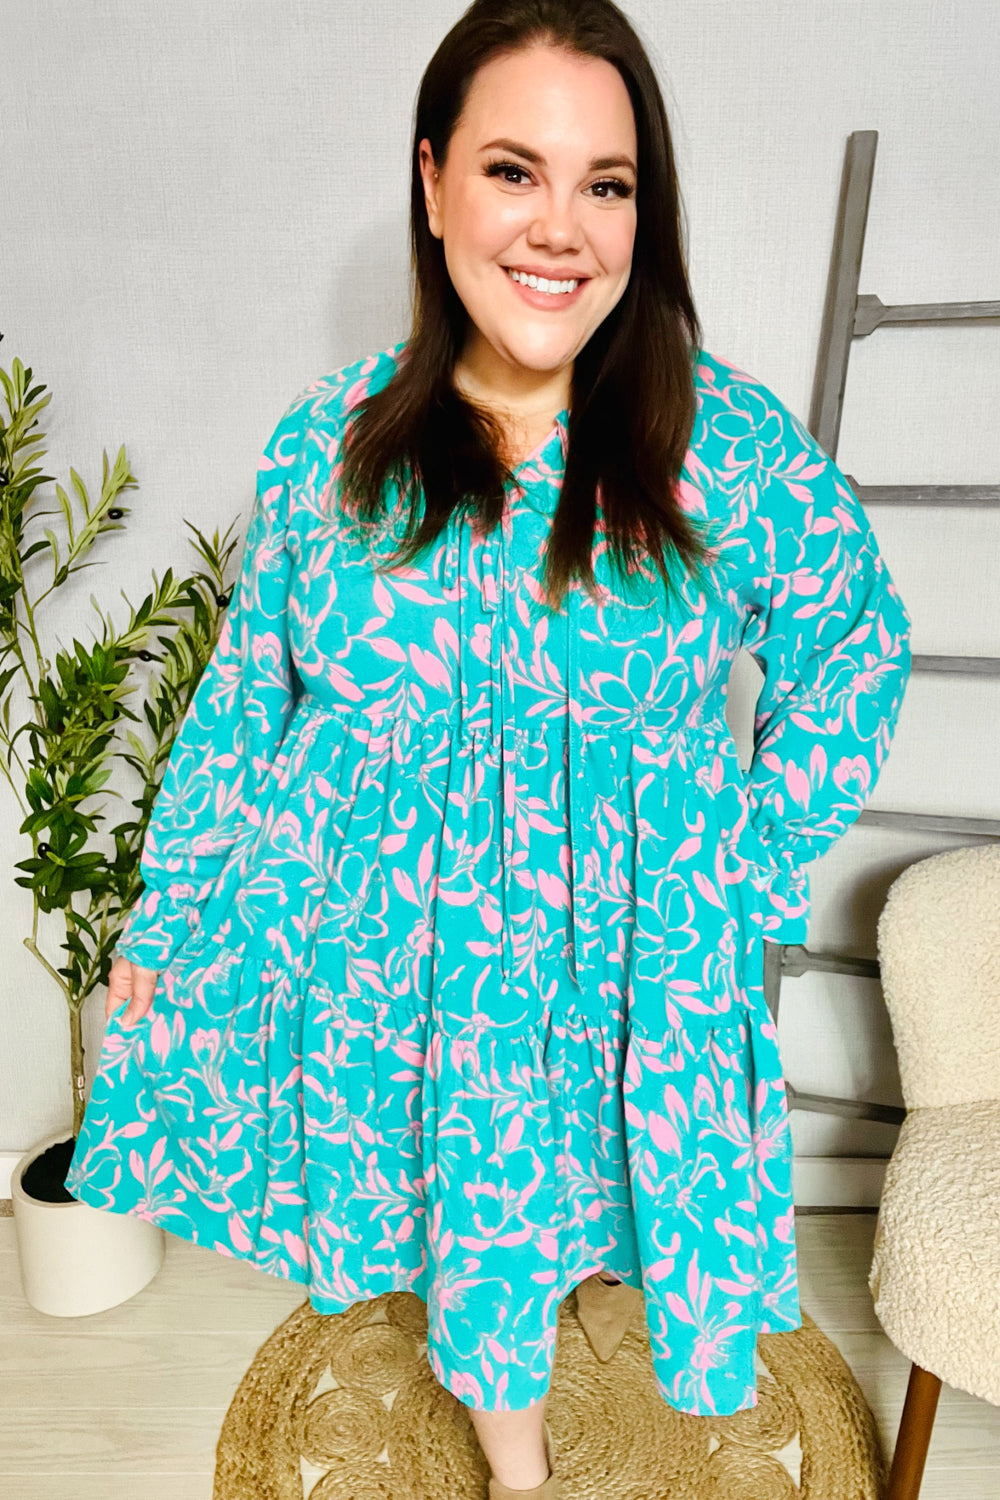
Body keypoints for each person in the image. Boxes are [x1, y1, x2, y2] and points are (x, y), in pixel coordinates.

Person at [65, 1, 912, 1495]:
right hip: (404, 977)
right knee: (474, 1254)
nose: (561, 226)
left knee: (589, 1229)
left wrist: (740, 862)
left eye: (607, 183)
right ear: (433, 179)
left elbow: (855, 644)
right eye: (515, 170)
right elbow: (246, 700)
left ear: (644, 213)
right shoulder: (328, 447)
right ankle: (517, 1468)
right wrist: (173, 908)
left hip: (625, 969)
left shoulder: (723, 447)